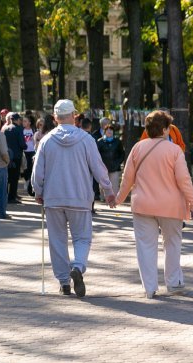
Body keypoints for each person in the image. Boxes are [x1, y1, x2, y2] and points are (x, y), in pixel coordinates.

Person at [31, 99, 116, 298]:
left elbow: (37, 172)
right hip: (80, 197)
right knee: (82, 237)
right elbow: (98, 167)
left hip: (53, 198)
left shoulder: (46, 140)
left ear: (55, 117)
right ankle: (77, 266)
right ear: (74, 116)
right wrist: (108, 190)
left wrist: (38, 192)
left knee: (57, 240)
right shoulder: (86, 139)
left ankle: (64, 282)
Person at [116, 110, 193, 299]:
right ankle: (174, 282)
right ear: (164, 129)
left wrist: (118, 199)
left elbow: (127, 179)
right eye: (168, 127)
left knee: (145, 246)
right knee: (172, 244)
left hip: (143, 205)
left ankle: (150, 288)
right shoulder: (175, 151)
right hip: (171, 206)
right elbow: (184, 180)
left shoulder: (137, 148)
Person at [3, 112, 27, 203]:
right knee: (15, 177)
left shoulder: (6, 129)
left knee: (7, 176)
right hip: (16, 156)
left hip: (7, 155)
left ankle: (4, 195)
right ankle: (12, 197)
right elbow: (22, 143)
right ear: (17, 120)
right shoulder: (19, 129)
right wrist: (25, 146)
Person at [96, 124, 125, 198]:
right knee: (103, 185)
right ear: (105, 132)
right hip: (103, 167)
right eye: (108, 130)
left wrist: (117, 163)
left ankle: (114, 200)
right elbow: (96, 155)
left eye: (111, 130)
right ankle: (103, 198)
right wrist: (100, 164)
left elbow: (122, 154)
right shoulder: (100, 142)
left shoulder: (117, 142)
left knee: (114, 185)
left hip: (115, 168)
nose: (109, 131)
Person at [22, 116, 37, 197]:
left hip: (32, 151)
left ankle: (30, 183)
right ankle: (26, 180)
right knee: (25, 168)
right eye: (23, 121)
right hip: (24, 152)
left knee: (31, 168)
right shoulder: (22, 130)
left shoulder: (33, 130)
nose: (23, 122)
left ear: (29, 122)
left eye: (25, 121)